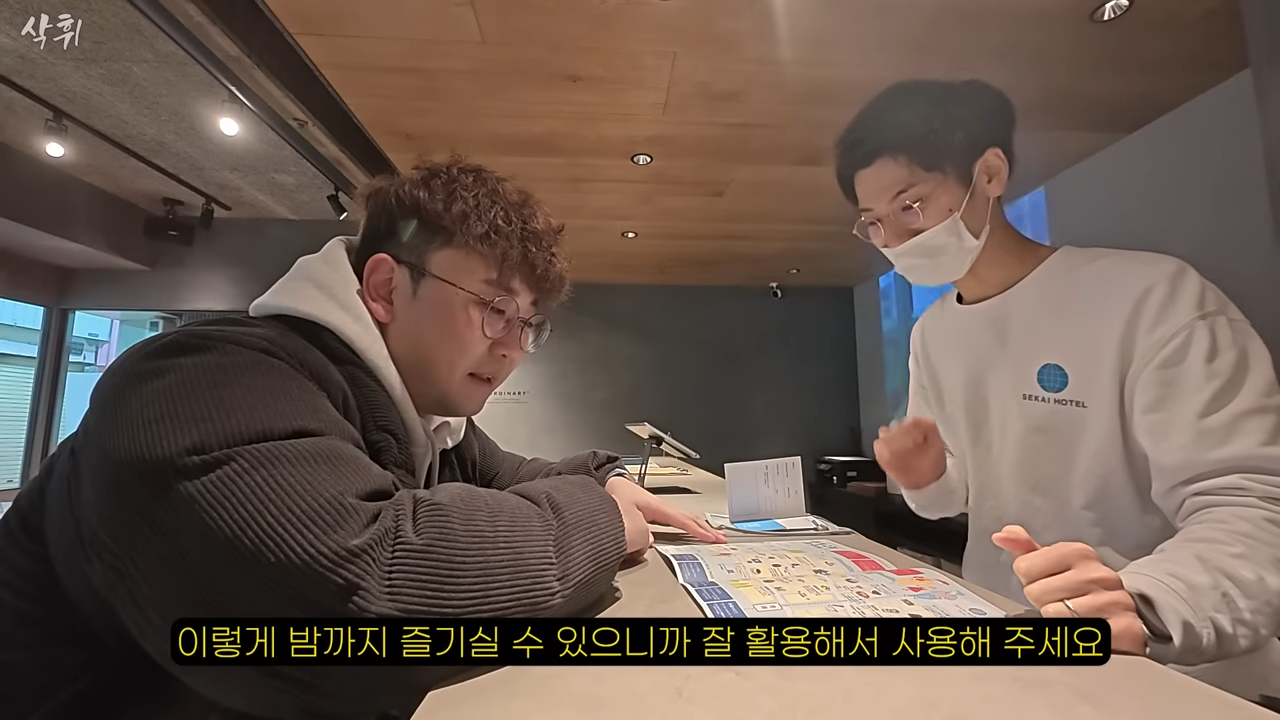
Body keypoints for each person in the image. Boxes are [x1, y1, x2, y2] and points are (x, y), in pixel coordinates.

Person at [0, 157, 725, 719]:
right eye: (494, 308)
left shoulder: (420, 419)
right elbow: (361, 594)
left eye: (527, 324)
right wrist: (601, 517)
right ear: (384, 288)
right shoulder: (194, 380)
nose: (512, 347)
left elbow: (510, 474)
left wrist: (602, 476)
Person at [834, 79, 1280, 700]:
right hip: (1017, 646)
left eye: (911, 206)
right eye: (875, 223)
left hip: (1167, 667)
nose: (896, 240)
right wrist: (925, 476)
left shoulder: (1152, 298)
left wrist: (1144, 602)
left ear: (989, 174)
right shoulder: (932, 333)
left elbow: (1253, 508)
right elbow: (950, 502)